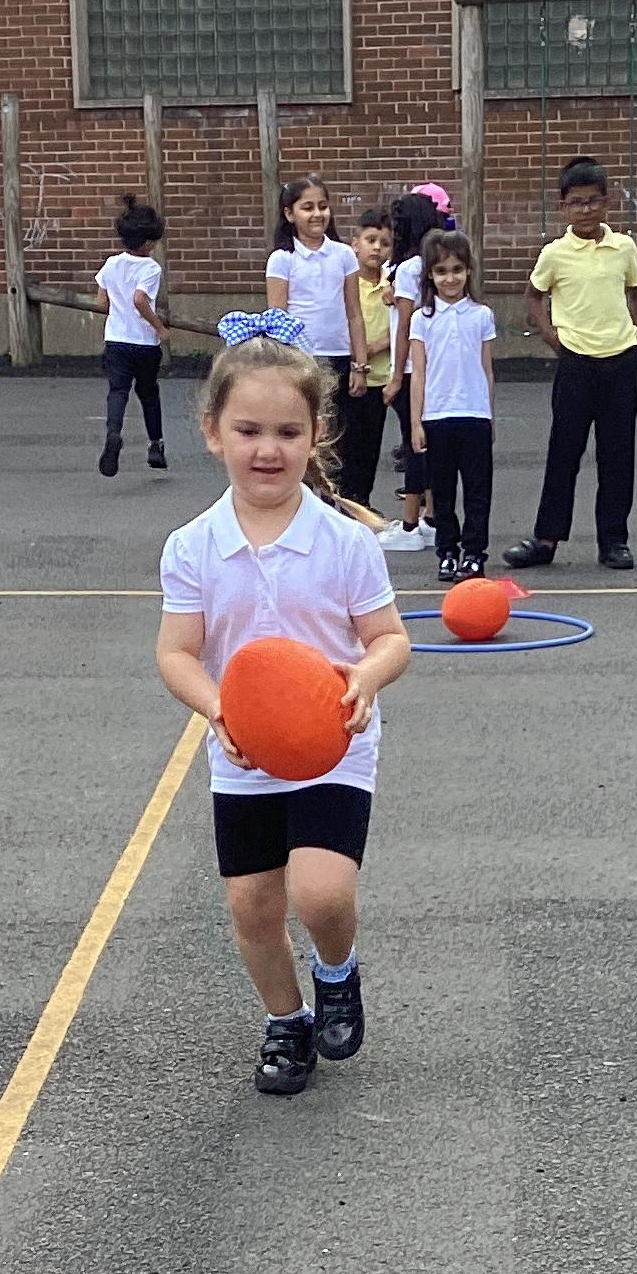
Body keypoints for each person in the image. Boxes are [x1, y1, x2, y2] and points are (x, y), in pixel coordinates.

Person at [155, 312, 412, 1098]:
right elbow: (176, 653)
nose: (268, 449)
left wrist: (364, 679)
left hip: (334, 744)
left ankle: (337, 970)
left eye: (288, 432)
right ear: (213, 433)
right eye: (249, 430)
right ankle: (286, 1020)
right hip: (245, 753)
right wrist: (219, 709)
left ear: (316, 435)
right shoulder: (192, 546)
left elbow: (391, 640)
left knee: (321, 892)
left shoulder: (346, 543)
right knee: (252, 906)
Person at [504, 155, 637, 574]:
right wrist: (550, 334)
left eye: (593, 201)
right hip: (576, 363)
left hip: (620, 361)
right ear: (563, 207)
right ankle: (546, 537)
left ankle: (614, 539)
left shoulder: (623, 247)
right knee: (564, 452)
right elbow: (534, 295)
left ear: (606, 203)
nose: (586, 210)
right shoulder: (555, 253)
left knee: (617, 454)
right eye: (577, 202)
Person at [408, 230, 496, 578]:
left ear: (468, 271)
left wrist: (490, 416)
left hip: (474, 414)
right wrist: (416, 422)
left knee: (477, 490)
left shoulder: (481, 315)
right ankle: (447, 550)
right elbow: (418, 373)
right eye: (441, 271)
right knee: (441, 491)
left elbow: (487, 369)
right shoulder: (422, 318)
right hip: (437, 415)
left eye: (457, 269)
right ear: (430, 275)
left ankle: (474, 553)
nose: (450, 278)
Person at [381, 184, 451, 552]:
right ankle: (432, 519)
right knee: (427, 444)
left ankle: (409, 525)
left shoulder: (409, 268)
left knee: (414, 444)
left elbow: (405, 323)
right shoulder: (433, 263)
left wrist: (395, 376)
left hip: (410, 367)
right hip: (433, 364)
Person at [264, 174, 355, 425]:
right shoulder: (282, 258)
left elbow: (354, 313)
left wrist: (359, 363)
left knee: (339, 428)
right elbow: (278, 318)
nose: (317, 214)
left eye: (322, 206)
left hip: (340, 354)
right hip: (301, 357)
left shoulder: (344, 254)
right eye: (307, 207)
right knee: (305, 423)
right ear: (289, 214)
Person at [96, 193, 169, 476]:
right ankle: (156, 445)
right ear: (148, 242)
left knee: (118, 391)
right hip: (144, 342)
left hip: (116, 339)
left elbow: (101, 302)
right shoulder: (151, 268)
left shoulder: (111, 264)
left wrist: (117, 308)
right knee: (149, 393)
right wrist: (159, 327)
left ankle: (113, 433)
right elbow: (140, 299)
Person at [336, 204, 394, 510]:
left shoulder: (392, 286)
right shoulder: (346, 284)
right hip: (349, 374)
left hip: (380, 377)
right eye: (370, 240)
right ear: (355, 244)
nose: (377, 248)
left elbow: (402, 327)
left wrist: (376, 346)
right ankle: (340, 501)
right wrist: (357, 351)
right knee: (343, 444)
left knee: (370, 445)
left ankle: (362, 503)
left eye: (384, 243)